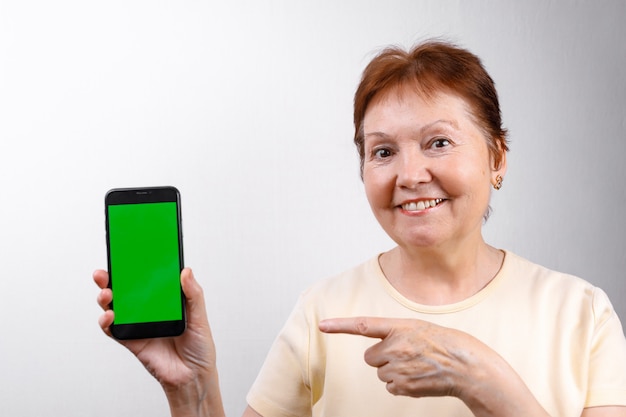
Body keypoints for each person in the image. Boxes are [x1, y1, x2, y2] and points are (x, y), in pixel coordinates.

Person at [94, 39, 626, 417]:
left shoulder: (583, 314)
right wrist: (190, 392)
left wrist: (479, 376)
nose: (410, 175)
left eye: (439, 141)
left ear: (497, 158)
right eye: (383, 151)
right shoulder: (322, 310)